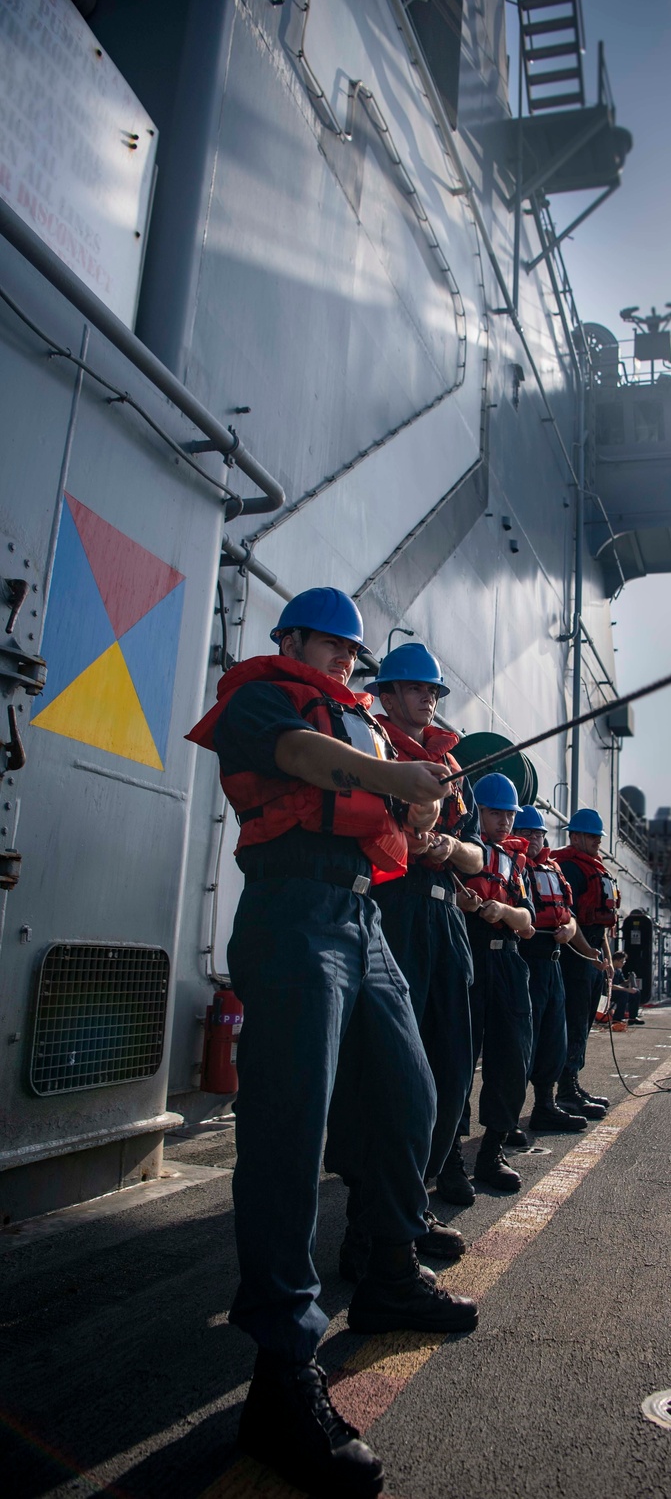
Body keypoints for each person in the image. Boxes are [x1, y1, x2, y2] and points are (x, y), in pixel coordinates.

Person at [187, 588, 477, 1499]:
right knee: (288, 1131)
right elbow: (297, 756)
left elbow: (406, 822)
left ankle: (388, 1270)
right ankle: (280, 1379)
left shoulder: (369, 728)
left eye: (355, 654)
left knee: (411, 1097)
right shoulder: (261, 696)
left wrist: (423, 815)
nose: (347, 664)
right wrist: (397, 781)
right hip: (291, 911)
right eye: (333, 647)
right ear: (292, 640)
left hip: (362, 918)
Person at [338, 641, 483, 1241]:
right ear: (389, 692)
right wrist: (408, 829)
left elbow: (476, 857)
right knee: (386, 1072)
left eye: (434, 692)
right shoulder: (364, 741)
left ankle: (412, 1201)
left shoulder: (452, 769)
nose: (429, 699)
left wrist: (446, 847)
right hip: (390, 912)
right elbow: (352, 817)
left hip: (447, 924)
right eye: (419, 689)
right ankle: (366, 1221)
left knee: (450, 1069)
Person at [442, 773, 535, 1198]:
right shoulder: (464, 854)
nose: (504, 822)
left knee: (511, 1056)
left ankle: (492, 1151)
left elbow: (529, 923)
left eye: (509, 815)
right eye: (496, 813)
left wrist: (503, 910)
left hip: (509, 961)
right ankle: (449, 1160)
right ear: (479, 812)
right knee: (458, 1059)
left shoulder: (518, 864)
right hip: (470, 954)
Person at [514, 805, 603, 1134]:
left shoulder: (552, 869)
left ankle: (546, 1104)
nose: (533, 839)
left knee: (554, 1037)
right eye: (526, 833)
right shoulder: (512, 865)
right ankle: (509, 1119)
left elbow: (568, 914)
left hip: (553, 960)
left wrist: (580, 942)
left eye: (538, 833)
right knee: (523, 1041)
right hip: (525, 958)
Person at [550, 809, 617, 1120]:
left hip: (592, 958)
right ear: (574, 837)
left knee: (584, 1022)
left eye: (597, 838)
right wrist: (590, 953)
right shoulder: (569, 868)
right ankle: (565, 1090)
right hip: (575, 959)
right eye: (589, 836)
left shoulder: (595, 868)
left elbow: (599, 923)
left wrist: (605, 957)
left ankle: (573, 1084)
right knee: (573, 1022)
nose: (595, 842)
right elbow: (570, 916)